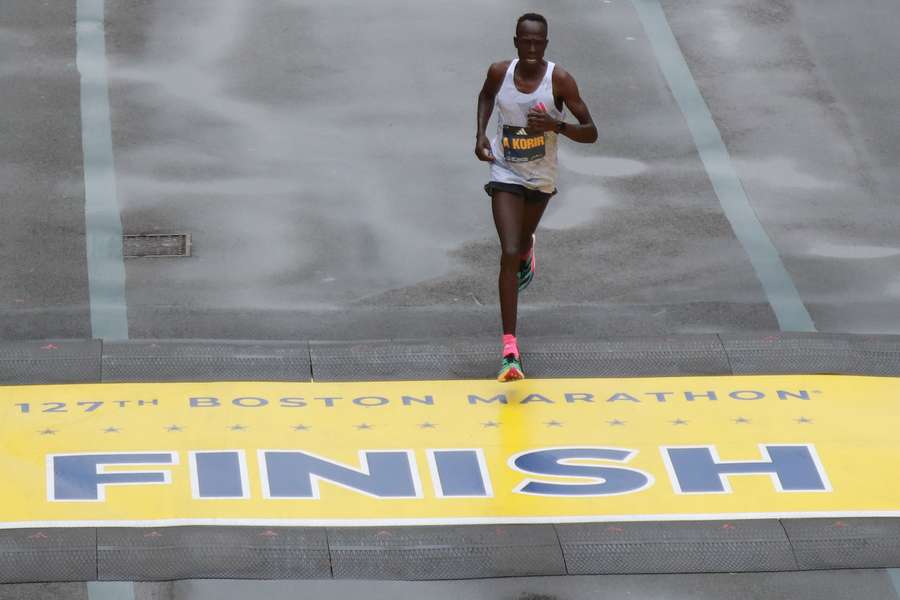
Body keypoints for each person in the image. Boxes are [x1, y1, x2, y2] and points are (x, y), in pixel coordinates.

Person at [475, 12, 598, 382]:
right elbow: (485, 97)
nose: (531, 48)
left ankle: (529, 244)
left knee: (522, 241)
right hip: (505, 170)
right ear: (516, 42)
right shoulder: (499, 72)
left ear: (545, 44)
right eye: (524, 41)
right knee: (508, 252)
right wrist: (480, 135)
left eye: (537, 42)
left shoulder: (559, 80)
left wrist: (557, 126)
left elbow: (591, 132)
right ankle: (510, 350)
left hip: (540, 178)